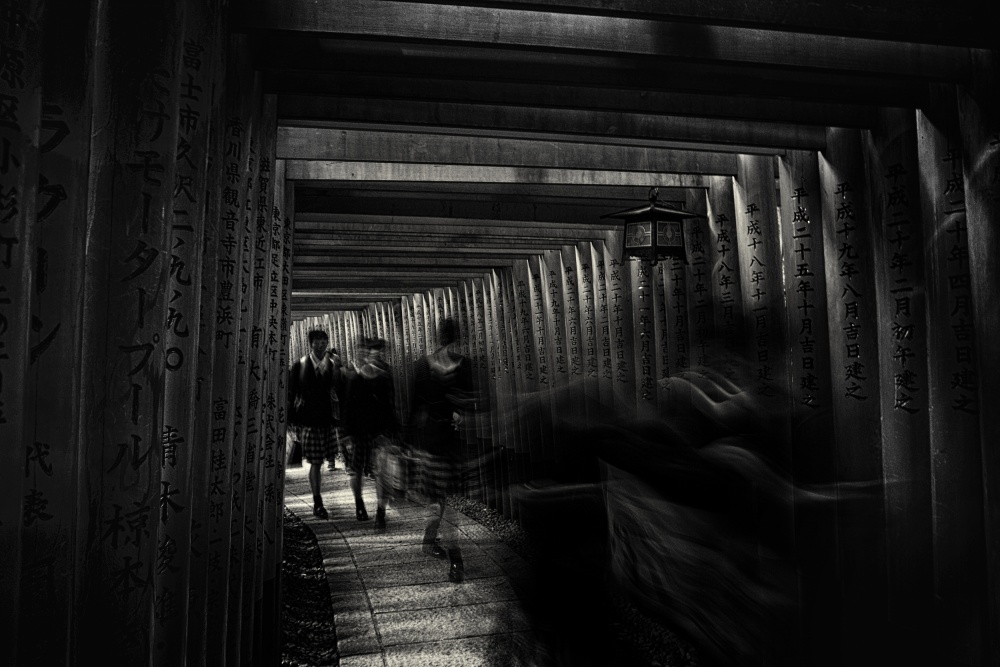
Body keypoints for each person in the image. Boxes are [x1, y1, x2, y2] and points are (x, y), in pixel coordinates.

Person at [409, 318, 475, 583]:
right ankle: (455, 558)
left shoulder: (457, 365)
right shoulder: (427, 366)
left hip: (447, 441)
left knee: (443, 500)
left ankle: (431, 539)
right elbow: (417, 407)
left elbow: (469, 399)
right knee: (443, 501)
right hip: (436, 441)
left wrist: (460, 412)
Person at [342, 337, 399, 528]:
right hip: (359, 432)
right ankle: (359, 504)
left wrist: (391, 430)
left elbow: (389, 405)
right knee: (356, 469)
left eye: (368, 351)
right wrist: (347, 434)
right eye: (363, 351)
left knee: (382, 472)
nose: (366, 354)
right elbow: (347, 407)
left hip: (378, 432)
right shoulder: (352, 377)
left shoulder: (383, 377)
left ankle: (381, 512)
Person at [287, 329, 341, 519]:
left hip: (327, 420)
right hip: (309, 421)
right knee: (316, 462)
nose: (320, 345)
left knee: (321, 462)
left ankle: (319, 499)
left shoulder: (333, 366)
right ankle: (318, 502)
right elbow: (291, 394)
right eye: (317, 342)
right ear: (310, 344)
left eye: (323, 342)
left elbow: (338, 391)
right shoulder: (300, 366)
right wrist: (291, 422)